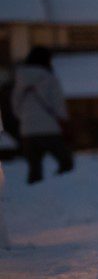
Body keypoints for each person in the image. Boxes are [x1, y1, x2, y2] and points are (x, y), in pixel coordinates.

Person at [11, 46, 74, 184]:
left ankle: (34, 198)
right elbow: (59, 105)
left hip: (27, 131)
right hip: (49, 129)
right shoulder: (49, 78)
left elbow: (15, 106)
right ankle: (56, 187)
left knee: (34, 169)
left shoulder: (20, 79)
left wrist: (25, 119)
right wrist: (65, 121)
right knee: (66, 162)